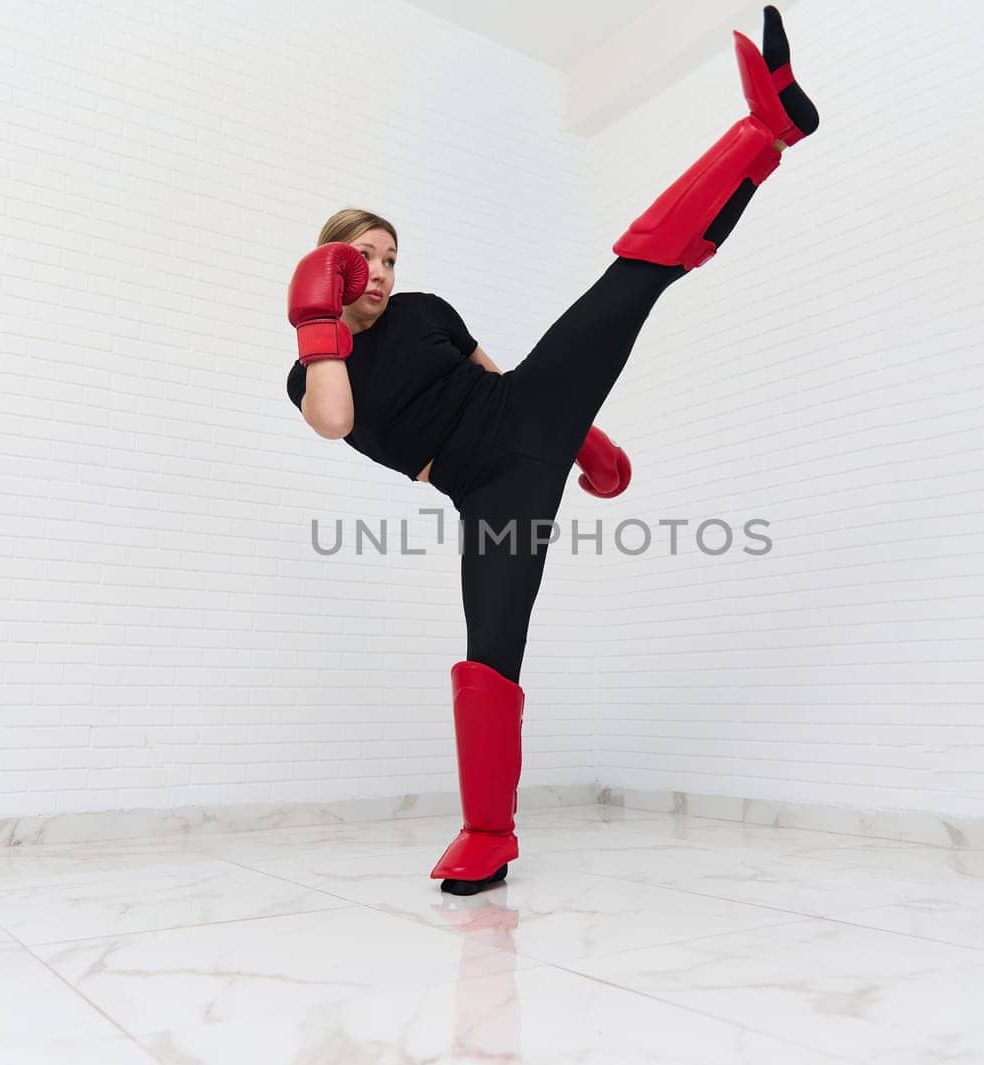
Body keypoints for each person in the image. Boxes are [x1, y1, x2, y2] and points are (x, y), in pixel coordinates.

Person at [286, 6, 819, 895]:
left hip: (526, 413)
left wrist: (583, 436)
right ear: (328, 264)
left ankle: (768, 129)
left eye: (386, 255)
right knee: (491, 647)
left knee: (632, 280)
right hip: (487, 493)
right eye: (360, 257)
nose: (378, 270)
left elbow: (490, 369)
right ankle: (488, 835)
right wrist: (315, 318)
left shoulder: (423, 308)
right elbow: (335, 421)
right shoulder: (313, 364)